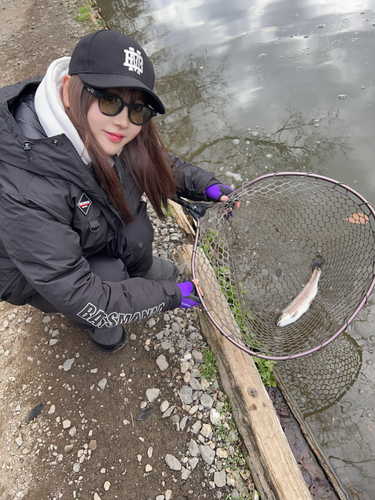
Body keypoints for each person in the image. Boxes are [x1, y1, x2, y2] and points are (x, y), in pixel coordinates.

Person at [0, 29, 234, 353]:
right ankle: (101, 323)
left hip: (82, 228)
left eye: (137, 111)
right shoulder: (23, 187)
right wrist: (171, 297)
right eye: (110, 100)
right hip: (30, 272)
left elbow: (155, 159)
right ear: (69, 90)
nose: (124, 122)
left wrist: (205, 185)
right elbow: (79, 292)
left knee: (136, 228)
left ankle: (140, 272)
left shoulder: (101, 127)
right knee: (107, 277)